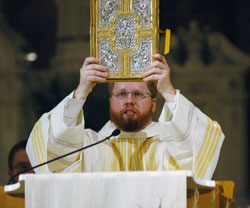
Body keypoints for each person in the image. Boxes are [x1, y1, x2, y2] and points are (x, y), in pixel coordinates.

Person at [26, 54, 224, 179]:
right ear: (110, 101)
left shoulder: (168, 146)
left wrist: (168, 90)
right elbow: (51, 149)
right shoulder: (88, 147)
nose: (129, 100)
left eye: (138, 94)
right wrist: (81, 92)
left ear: (154, 103)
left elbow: (203, 141)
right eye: (121, 94)